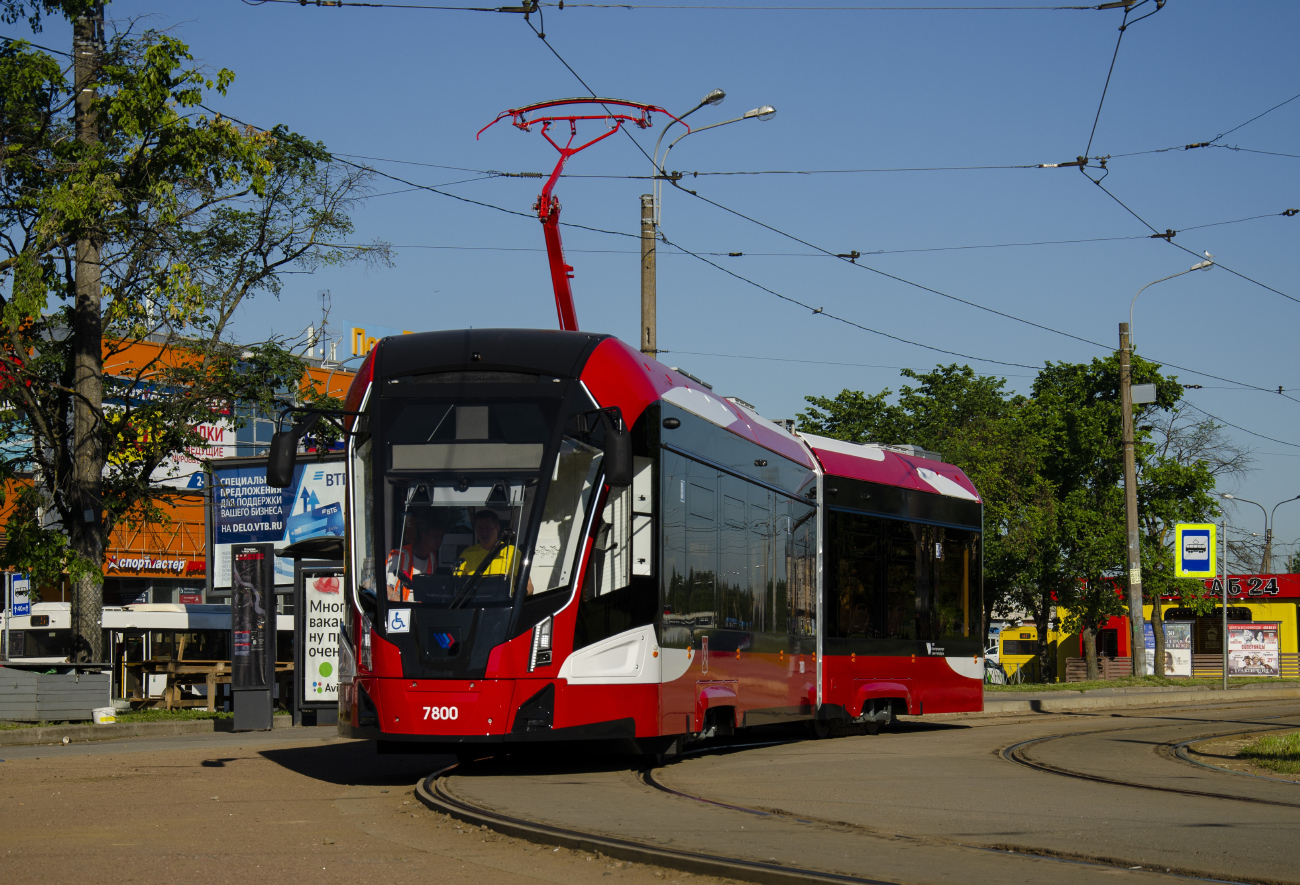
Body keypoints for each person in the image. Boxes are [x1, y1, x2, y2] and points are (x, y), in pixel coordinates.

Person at [454, 509, 533, 594]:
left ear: (497, 529)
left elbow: (528, 586)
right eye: (480, 528)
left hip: (502, 605)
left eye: (487, 528)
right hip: (473, 604)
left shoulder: (512, 552)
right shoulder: (467, 554)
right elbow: (456, 585)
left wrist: (516, 600)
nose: (483, 532)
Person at [386, 512, 447, 602]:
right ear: (423, 534)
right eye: (435, 537)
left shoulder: (432, 557)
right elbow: (387, 591)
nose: (439, 541)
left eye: (441, 537)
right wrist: (408, 606)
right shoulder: (399, 557)